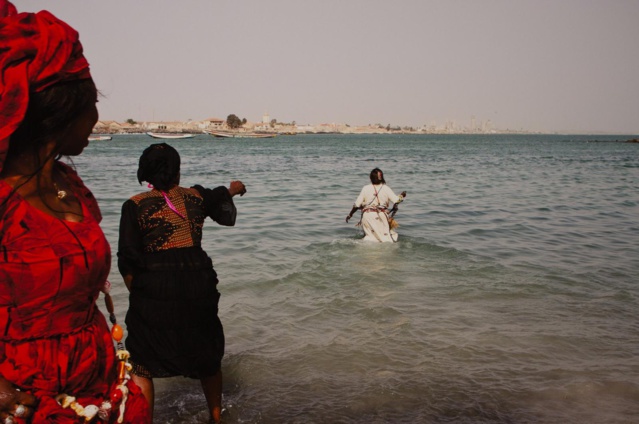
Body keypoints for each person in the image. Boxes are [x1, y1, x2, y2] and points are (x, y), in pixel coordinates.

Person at [0, 1, 150, 423]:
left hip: (97, 382)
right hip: (29, 398)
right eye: (94, 100)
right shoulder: (4, 201)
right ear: (63, 109)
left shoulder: (72, 186)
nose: (97, 116)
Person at [117, 143, 246, 423]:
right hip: (197, 283)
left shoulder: (135, 205)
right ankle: (216, 418)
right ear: (177, 171)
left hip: (153, 286)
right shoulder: (195, 198)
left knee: (142, 362)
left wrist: (140, 294)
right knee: (207, 353)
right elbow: (220, 202)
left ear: (147, 173)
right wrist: (234, 189)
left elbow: (127, 258)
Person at [346, 168, 407, 242]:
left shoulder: (366, 188)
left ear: (371, 178)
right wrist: (402, 196)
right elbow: (396, 200)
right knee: (385, 239)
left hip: (367, 216)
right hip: (381, 216)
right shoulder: (386, 188)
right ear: (382, 177)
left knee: (370, 238)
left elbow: (357, 205)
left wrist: (350, 215)